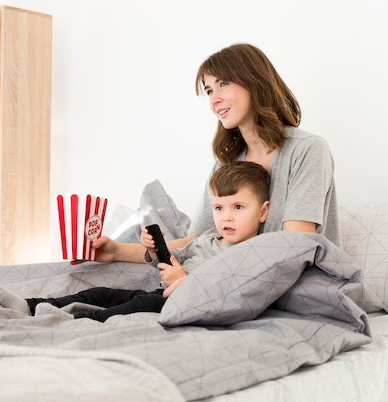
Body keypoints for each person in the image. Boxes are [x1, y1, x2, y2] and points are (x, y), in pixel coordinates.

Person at [89, 43, 340, 289]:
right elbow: (196, 242)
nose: (214, 100)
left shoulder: (308, 150)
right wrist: (117, 250)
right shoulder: (226, 163)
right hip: (233, 288)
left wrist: (200, 286)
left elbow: (291, 248)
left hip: (295, 290)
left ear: (256, 82)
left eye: (223, 83)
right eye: (209, 90)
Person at [0, 161, 270, 322]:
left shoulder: (254, 253)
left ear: (263, 211)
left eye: (238, 208)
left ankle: (76, 321)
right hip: (161, 294)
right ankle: (31, 305)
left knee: (129, 309)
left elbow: (232, 292)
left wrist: (184, 280)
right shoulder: (208, 238)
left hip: (182, 305)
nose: (226, 217)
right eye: (219, 208)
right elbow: (177, 258)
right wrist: (153, 250)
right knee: (100, 293)